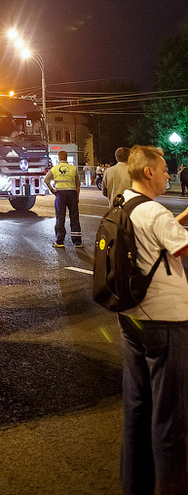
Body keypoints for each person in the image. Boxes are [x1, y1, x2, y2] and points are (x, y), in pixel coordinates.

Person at [118, 145, 188, 495]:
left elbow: (157, 239)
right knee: (170, 416)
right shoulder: (155, 211)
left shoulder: (126, 205)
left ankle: (135, 486)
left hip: (133, 317)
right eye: (163, 170)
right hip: (166, 320)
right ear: (148, 172)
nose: (167, 175)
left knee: (137, 408)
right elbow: (181, 247)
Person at [44, 150, 82, 247]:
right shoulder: (73, 169)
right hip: (72, 193)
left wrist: (52, 190)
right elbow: (78, 184)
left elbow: (46, 180)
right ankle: (77, 242)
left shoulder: (55, 169)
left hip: (60, 194)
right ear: (66, 157)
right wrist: (77, 196)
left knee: (60, 217)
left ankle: (60, 241)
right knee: (74, 217)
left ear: (59, 157)